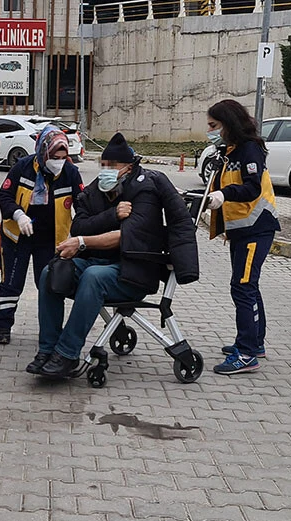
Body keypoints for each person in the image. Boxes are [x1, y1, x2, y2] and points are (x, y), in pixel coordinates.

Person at [30, 133, 200, 378]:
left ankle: (66, 355)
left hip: (135, 270)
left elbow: (125, 236)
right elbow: (79, 226)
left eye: (113, 166)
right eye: (104, 165)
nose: (106, 170)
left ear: (129, 167)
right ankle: (46, 351)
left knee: (93, 276)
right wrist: (111, 216)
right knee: (51, 272)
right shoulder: (96, 190)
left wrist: (82, 242)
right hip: (97, 262)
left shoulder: (146, 188)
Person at [203, 99, 280, 375]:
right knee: (248, 286)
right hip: (242, 230)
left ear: (228, 123)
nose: (210, 131)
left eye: (213, 125)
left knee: (243, 286)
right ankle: (254, 343)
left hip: (257, 228)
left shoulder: (250, 150)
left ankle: (246, 354)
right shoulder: (230, 151)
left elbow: (250, 188)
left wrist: (224, 195)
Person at [0, 125, 83, 345]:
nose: (59, 161)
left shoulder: (69, 172)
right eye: (54, 156)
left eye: (63, 156)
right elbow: (5, 195)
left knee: (49, 284)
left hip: (50, 240)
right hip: (18, 236)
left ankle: (51, 329)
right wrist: (18, 215)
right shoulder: (23, 167)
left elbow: (82, 203)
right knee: (11, 283)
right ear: (43, 152)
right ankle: (3, 326)